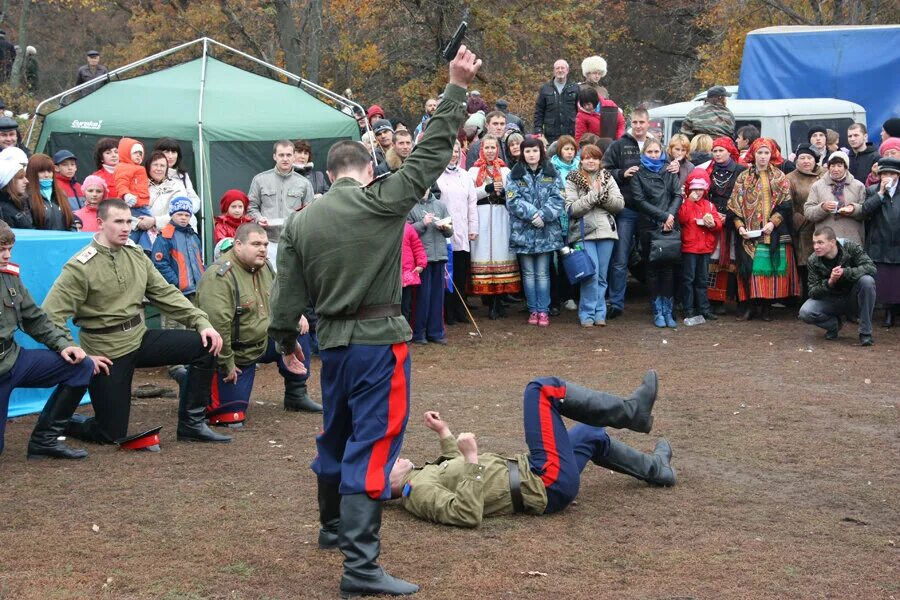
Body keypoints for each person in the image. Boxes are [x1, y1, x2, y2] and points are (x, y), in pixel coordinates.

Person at [268, 46, 481, 599]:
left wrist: (284, 339)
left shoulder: (300, 222)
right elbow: (430, 155)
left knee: (335, 432)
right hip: (379, 343)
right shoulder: (380, 201)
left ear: (328, 172)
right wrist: (456, 87)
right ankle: (360, 569)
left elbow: (286, 294)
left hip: (332, 348)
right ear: (365, 170)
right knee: (375, 443)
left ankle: (332, 527)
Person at [42, 198, 231, 447]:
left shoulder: (136, 255)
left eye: (129, 221)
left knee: (205, 344)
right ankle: (67, 422)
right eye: (118, 222)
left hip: (139, 337)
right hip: (106, 352)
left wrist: (201, 321)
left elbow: (165, 293)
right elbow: (50, 315)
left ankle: (192, 425)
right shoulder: (80, 267)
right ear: (100, 223)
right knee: (110, 433)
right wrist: (79, 353)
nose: (126, 227)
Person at [390, 371, 673, 527]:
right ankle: (631, 412)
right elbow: (464, 513)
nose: (395, 457)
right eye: (388, 463)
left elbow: (454, 466)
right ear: (385, 483)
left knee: (591, 434)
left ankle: (657, 470)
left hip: (539, 477)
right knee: (540, 389)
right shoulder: (415, 491)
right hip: (542, 482)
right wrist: (473, 457)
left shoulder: (422, 476)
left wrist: (444, 433)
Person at [196, 222, 318, 427]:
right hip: (236, 353)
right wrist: (227, 364)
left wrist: (295, 317)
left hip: (263, 341)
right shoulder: (220, 276)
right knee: (230, 417)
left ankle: (296, 394)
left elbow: (282, 301)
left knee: (299, 328)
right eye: (255, 244)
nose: (262, 248)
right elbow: (218, 327)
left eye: (264, 243)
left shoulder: (266, 267)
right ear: (238, 245)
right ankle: (190, 379)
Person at [0, 223, 95, 459]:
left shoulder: (9, 277)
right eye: (1, 249)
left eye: (10, 248)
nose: (7, 255)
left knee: (80, 366)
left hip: (12, 360)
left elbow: (35, 319)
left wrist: (64, 345)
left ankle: (45, 440)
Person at [727, 138, 801, 321]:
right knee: (748, 270)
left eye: (766, 153)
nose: (763, 156)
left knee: (767, 271)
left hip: (771, 232)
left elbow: (785, 205)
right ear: (753, 154)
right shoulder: (743, 177)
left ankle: (766, 308)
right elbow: (734, 205)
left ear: (772, 154)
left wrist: (772, 223)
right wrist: (740, 226)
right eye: (759, 152)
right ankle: (749, 307)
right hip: (747, 234)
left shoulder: (779, 177)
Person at [506, 137, 565, 327]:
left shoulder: (551, 172)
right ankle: (533, 310)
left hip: (546, 232)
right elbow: (512, 200)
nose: (531, 154)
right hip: (523, 231)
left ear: (541, 152)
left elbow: (559, 198)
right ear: (522, 153)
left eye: (535, 151)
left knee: (543, 273)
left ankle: (544, 310)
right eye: (528, 151)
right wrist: (533, 215)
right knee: (529, 273)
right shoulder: (514, 174)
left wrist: (544, 215)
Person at [564, 144, 623, 327]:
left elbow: (619, 205)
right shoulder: (573, 179)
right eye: (587, 157)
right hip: (584, 233)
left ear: (600, 161)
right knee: (591, 274)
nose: (591, 161)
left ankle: (600, 313)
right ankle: (587, 313)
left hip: (606, 231)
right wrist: (593, 196)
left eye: (595, 158)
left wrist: (602, 196)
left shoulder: (608, 178)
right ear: (581, 160)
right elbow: (571, 209)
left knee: (602, 276)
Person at [603, 108, 651, 319]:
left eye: (642, 122)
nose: (639, 126)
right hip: (626, 208)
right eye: (636, 122)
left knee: (655, 256)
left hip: (650, 210)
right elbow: (604, 170)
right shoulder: (619, 145)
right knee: (620, 257)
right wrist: (622, 173)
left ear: (648, 123)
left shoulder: (655, 145)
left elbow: (666, 169)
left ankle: (657, 301)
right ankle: (616, 303)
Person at [631, 138, 683, 328]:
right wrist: (663, 216)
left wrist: (670, 216)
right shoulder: (638, 173)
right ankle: (657, 309)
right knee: (652, 269)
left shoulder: (669, 170)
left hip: (669, 224)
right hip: (649, 225)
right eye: (650, 152)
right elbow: (639, 200)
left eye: (656, 152)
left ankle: (668, 309)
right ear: (644, 153)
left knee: (668, 269)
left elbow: (677, 194)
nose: (654, 155)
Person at [467, 135, 520, 319]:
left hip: (500, 215)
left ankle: (500, 298)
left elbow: (514, 193)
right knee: (483, 254)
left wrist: (504, 192)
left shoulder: (505, 171)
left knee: (500, 253)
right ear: (482, 149)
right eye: (487, 147)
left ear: (497, 149)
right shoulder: (473, 172)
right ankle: (488, 300)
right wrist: (486, 189)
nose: (490, 151)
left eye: (493, 147)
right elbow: (469, 194)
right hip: (482, 215)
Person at [799, 226, 876, 346]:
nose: (816, 247)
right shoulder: (813, 260)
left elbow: (871, 268)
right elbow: (812, 292)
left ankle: (865, 333)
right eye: (814, 243)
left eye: (820, 242)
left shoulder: (850, 247)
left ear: (832, 242)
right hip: (832, 300)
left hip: (854, 298)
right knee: (805, 312)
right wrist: (829, 282)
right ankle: (834, 325)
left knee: (867, 281)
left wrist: (846, 272)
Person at [247, 140, 314, 265]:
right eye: (281, 155)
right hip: (266, 241)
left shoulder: (304, 183)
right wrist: (258, 218)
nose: (285, 159)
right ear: (274, 156)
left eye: (288, 155)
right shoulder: (260, 180)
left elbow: (310, 213)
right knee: (269, 280)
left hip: (293, 242)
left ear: (294, 156)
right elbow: (251, 207)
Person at [437, 141, 478, 325]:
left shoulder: (465, 176)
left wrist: (473, 228)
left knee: (461, 274)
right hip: (444, 232)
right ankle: (448, 311)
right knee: (447, 274)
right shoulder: (436, 175)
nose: (453, 155)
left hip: (462, 231)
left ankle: (461, 309)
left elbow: (472, 204)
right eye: (450, 151)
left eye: (456, 151)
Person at [407, 186, 453, 344]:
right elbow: (407, 231)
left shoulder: (440, 205)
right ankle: (419, 333)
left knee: (437, 297)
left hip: (439, 256)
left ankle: (436, 332)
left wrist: (445, 227)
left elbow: (450, 231)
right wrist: (423, 224)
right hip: (421, 259)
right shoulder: (410, 206)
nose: (423, 190)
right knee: (421, 297)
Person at [678, 168, 723, 321]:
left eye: (700, 189)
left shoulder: (709, 206)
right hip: (690, 248)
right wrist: (689, 202)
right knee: (688, 279)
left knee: (703, 280)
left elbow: (717, 225)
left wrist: (712, 224)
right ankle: (688, 308)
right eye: (694, 188)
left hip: (704, 248)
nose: (697, 192)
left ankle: (704, 308)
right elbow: (682, 219)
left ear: (705, 189)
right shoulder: (685, 203)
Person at [861, 157, 900, 328]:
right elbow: (865, 211)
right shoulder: (872, 191)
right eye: (885, 174)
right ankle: (888, 313)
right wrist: (881, 194)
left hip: (898, 242)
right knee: (886, 281)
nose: (888, 177)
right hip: (879, 242)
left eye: (892, 174)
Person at [786, 144, 825, 299]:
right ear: (796, 160)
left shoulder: (825, 174)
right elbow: (787, 203)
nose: (806, 161)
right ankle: (806, 298)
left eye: (809, 158)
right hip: (803, 228)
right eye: (802, 158)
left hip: (822, 224)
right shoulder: (790, 178)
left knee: (823, 261)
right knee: (806, 264)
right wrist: (798, 221)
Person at [804, 151, 867, 246]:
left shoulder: (858, 186)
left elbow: (866, 211)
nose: (835, 169)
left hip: (852, 239)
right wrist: (823, 208)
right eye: (832, 166)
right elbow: (808, 212)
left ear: (846, 167)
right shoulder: (817, 186)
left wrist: (853, 209)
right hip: (826, 241)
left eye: (839, 165)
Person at [150, 197, 204, 298]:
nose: (183, 217)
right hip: (177, 294)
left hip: (198, 291)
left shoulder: (194, 236)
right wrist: (177, 283)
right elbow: (159, 264)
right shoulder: (165, 236)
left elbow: (199, 262)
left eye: (187, 215)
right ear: (171, 214)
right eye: (179, 214)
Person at [146, 150, 197, 233]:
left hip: (168, 234)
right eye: (155, 165)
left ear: (167, 169)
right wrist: (138, 223)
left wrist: (155, 221)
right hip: (142, 232)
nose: (159, 169)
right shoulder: (139, 185)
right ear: (148, 167)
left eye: (162, 166)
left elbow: (181, 214)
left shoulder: (176, 187)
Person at [578, 56, 625, 140]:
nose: (597, 76)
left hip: (604, 128)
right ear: (588, 73)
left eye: (599, 73)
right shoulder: (580, 88)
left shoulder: (603, 90)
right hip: (586, 128)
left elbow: (609, 110)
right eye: (595, 73)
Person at [26, 154, 76, 231]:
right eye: (41, 171)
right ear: (32, 173)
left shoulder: (61, 195)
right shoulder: (26, 198)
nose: (47, 175)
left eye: (49, 171)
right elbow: (28, 228)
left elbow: (72, 224)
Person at [533, 59, 579, 144]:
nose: (560, 70)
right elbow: (539, 112)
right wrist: (538, 131)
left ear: (567, 70)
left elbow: (579, 112)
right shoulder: (545, 89)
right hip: (550, 136)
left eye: (562, 68)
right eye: (557, 68)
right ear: (554, 71)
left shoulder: (575, 88)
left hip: (570, 135)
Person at [152, 138, 200, 205]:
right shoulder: (150, 175)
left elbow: (195, 200)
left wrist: (185, 209)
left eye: (174, 152)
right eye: (166, 152)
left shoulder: (183, 175)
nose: (170, 156)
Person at [401, 222, 427, 325]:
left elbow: (417, 247)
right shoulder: (385, 227)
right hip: (389, 276)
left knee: (405, 307)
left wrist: (421, 264)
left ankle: (404, 336)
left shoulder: (408, 227)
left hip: (406, 274)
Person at [0, 161, 33, 229]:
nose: (26, 181)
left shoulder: (21, 202)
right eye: (20, 178)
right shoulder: (3, 210)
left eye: (25, 177)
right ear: (8, 181)